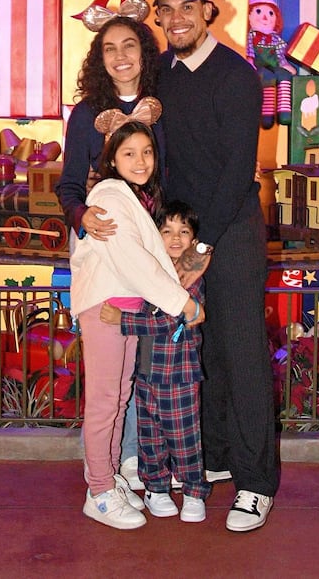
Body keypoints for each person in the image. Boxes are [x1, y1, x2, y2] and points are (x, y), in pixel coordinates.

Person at [154, 0, 279, 533]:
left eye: (187, 8)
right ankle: (218, 458)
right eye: (166, 9)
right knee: (199, 354)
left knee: (243, 352)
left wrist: (202, 244)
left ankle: (256, 484)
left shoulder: (236, 75)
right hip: (179, 236)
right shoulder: (162, 71)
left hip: (227, 234)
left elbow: (235, 171)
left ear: (210, 12)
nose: (176, 18)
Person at [70, 118, 203, 530]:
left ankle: (109, 479)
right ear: (112, 158)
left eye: (147, 152)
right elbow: (130, 257)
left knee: (119, 397)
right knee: (105, 402)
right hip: (106, 308)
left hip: (124, 311)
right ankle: (99, 491)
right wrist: (182, 302)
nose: (140, 160)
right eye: (129, 153)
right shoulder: (109, 194)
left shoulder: (134, 196)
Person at [55, 5, 162, 485]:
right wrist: (82, 216)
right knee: (109, 371)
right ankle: (106, 471)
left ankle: (131, 459)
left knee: (140, 366)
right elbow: (68, 186)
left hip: (152, 254)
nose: (120, 56)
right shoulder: (85, 114)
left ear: (145, 52)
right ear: (99, 57)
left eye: (130, 45)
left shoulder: (164, 107)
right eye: (109, 47)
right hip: (106, 251)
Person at [101, 199, 209, 523]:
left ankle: (193, 490)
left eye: (183, 231)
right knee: (150, 437)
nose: (175, 238)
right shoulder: (149, 271)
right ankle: (156, 488)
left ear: (193, 239)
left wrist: (123, 321)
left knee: (185, 436)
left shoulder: (193, 278)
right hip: (147, 372)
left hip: (178, 374)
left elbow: (171, 319)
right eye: (167, 230)